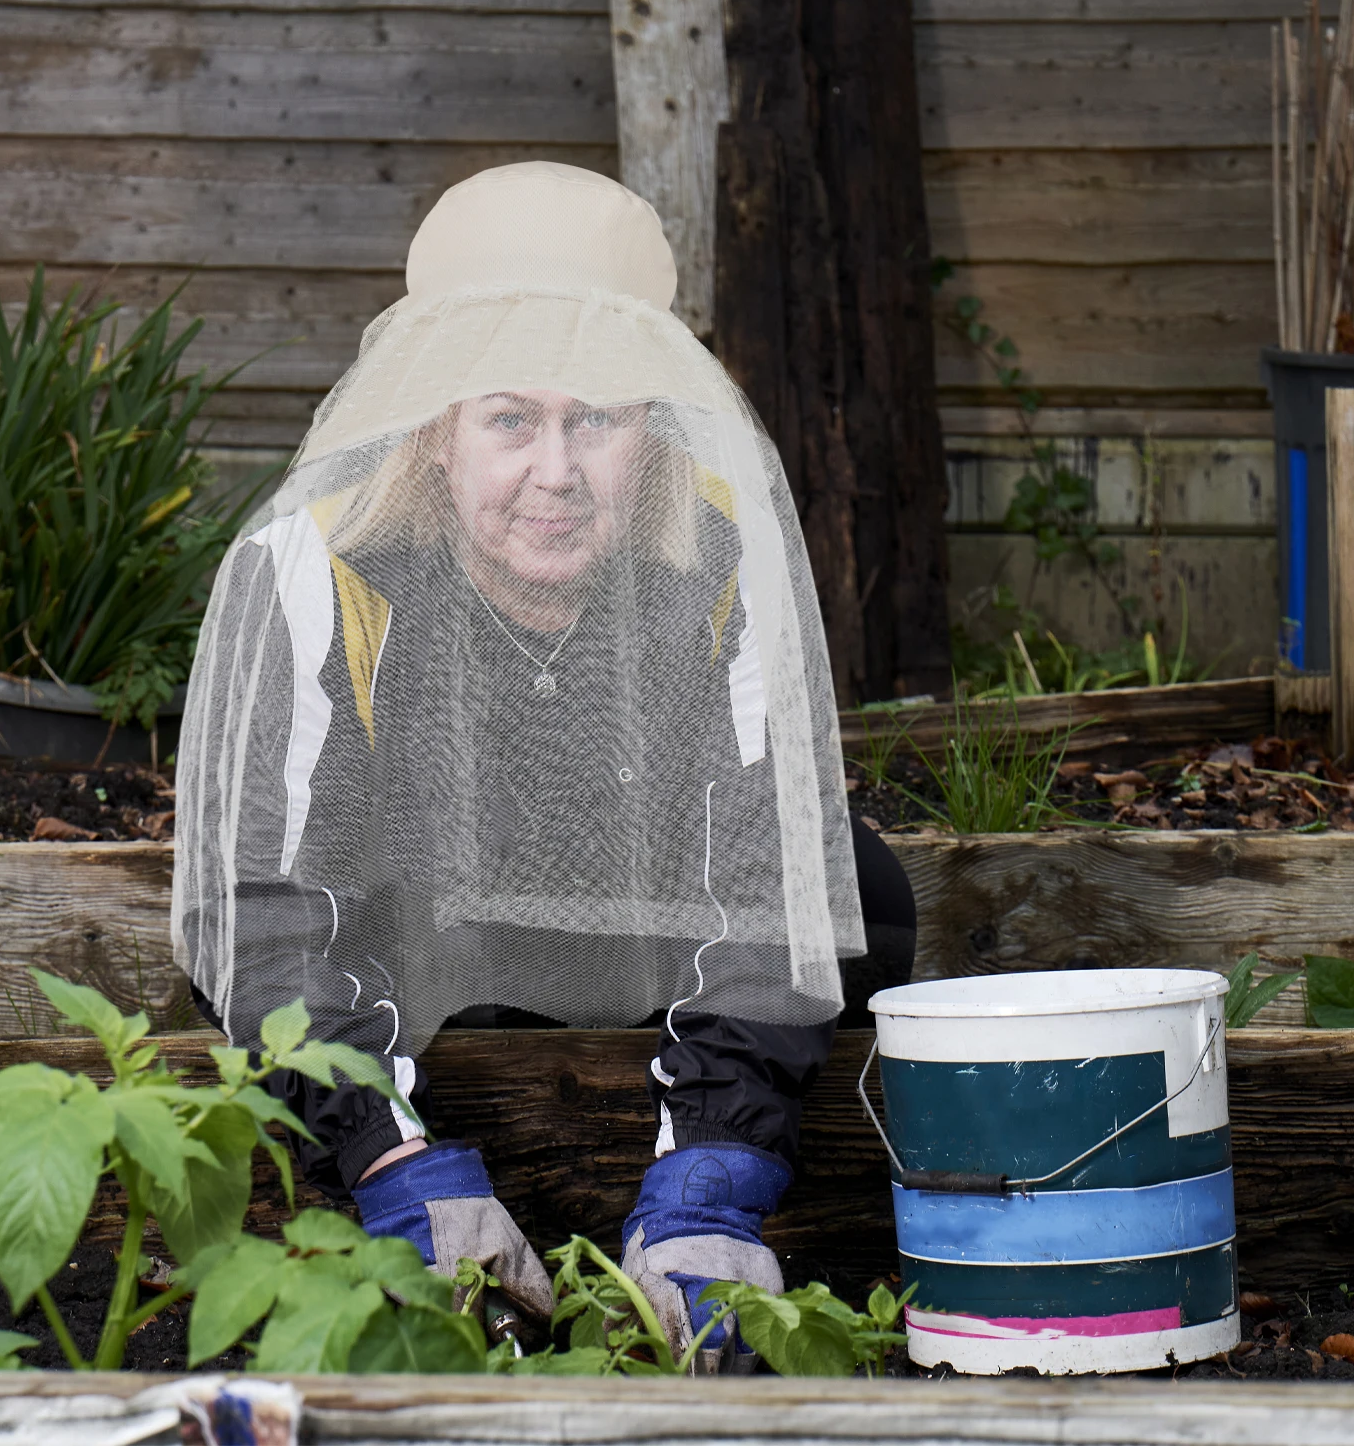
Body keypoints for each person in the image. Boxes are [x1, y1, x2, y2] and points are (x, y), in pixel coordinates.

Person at [174, 162, 916, 1371]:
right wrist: (386, 1155)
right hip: (415, 969)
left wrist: (714, 1176)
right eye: (510, 418)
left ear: (652, 423)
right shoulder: (315, 562)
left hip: (647, 958)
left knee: (867, 893)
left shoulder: (725, 547)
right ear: (435, 429)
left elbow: (774, 871)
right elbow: (254, 905)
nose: (556, 472)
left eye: (598, 418)